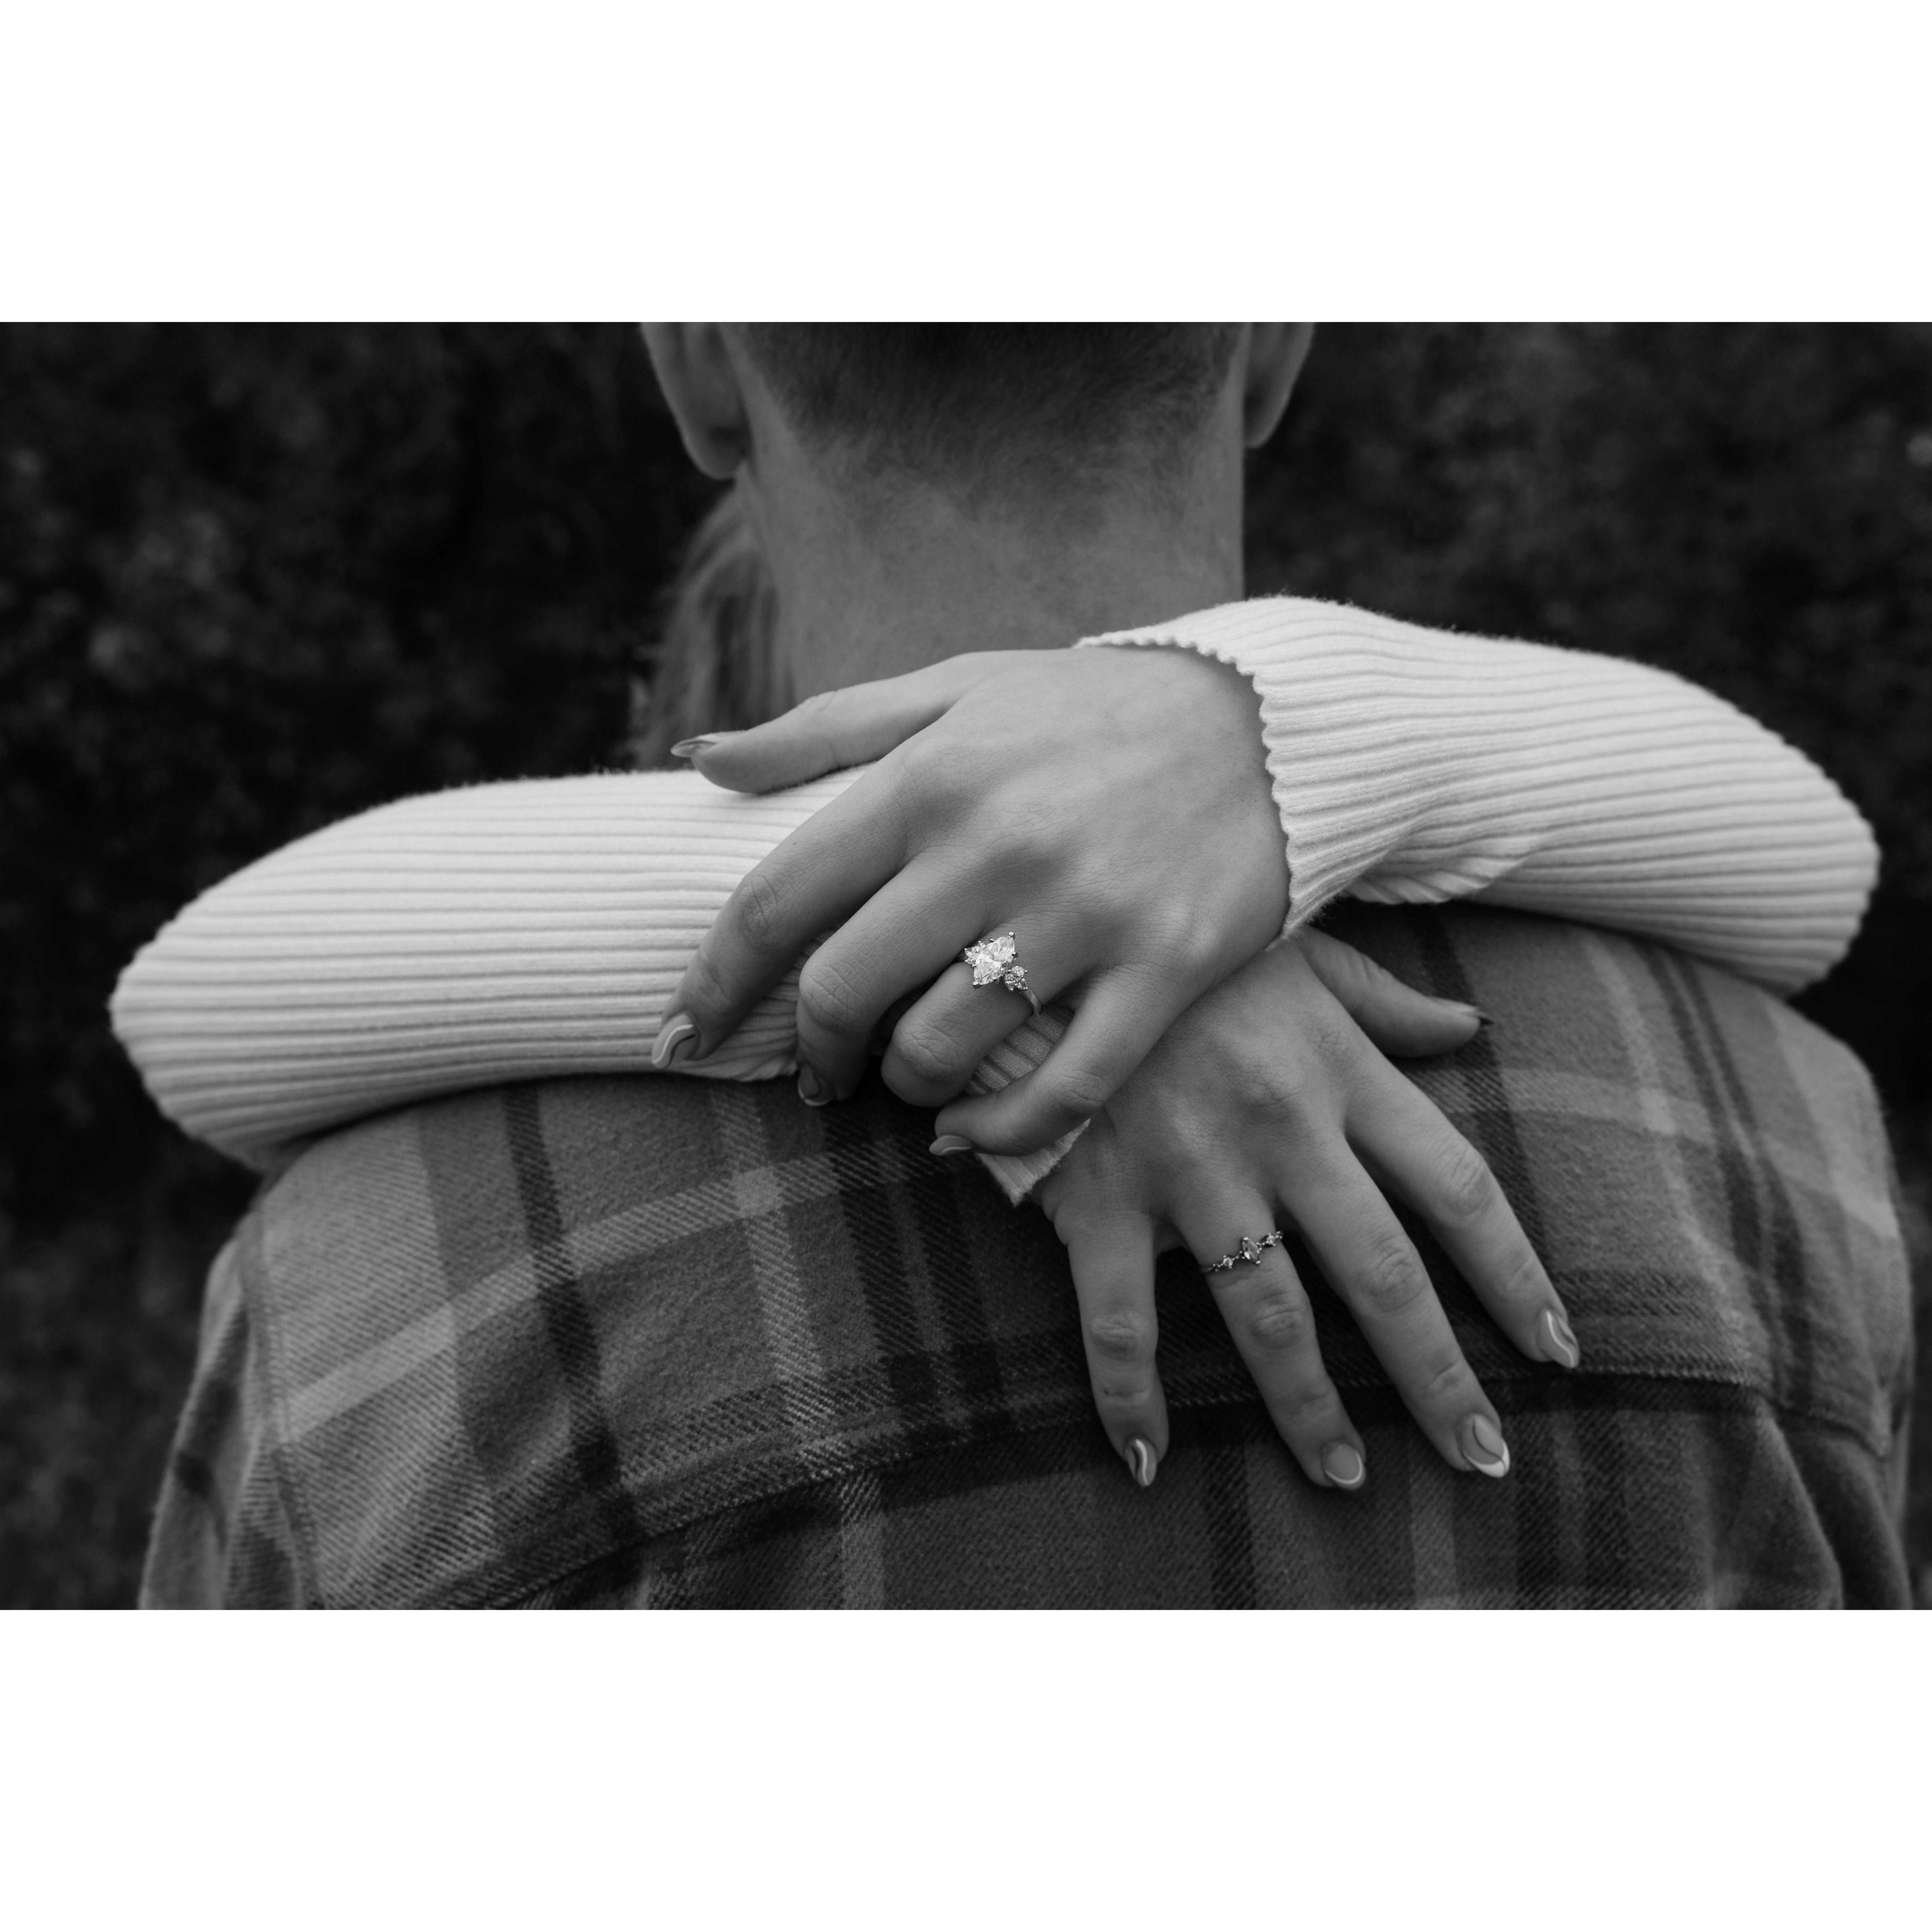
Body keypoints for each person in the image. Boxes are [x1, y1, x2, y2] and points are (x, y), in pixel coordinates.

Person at [119, 326, 1913, 1606]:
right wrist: (1231, 789)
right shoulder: (1792, 1133)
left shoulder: (370, 1283)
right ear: (1279, 340)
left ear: (692, 363)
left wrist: (1191, 799)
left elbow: (182, 1017)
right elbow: (1820, 873)